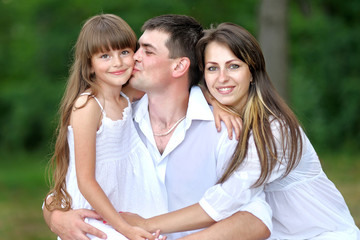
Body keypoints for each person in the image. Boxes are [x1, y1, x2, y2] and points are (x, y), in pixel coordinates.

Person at [43, 14, 272, 240]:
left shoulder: (226, 130)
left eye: (146, 51)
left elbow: (255, 216)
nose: (133, 58)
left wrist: (211, 99)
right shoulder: (122, 111)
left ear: (180, 66)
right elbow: (79, 179)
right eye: (136, 49)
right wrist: (54, 216)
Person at [122, 22, 360, 239]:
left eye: (234, 66)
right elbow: (187, 89)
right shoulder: (220, 114)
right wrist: (211, 100)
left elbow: (226, 201)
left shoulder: (275, 129)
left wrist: (145, 224)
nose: (222, 78)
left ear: (252, 71)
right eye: (213, 68)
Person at [44, 13, 164, 240]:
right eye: (105, 56)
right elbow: (86, 181)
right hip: (95, 213)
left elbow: (175, 86)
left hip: (123, 205)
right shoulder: (88, 106)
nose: (118, 63)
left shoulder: (125, 97)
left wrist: (217, 104)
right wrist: (125, 229)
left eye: (124, 52)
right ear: (90, 66)